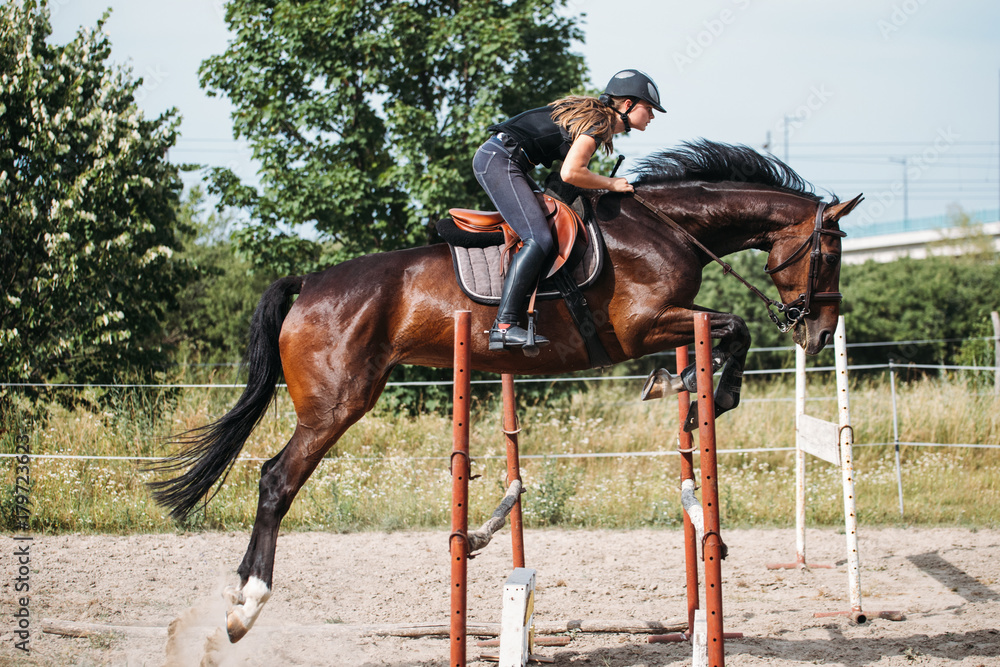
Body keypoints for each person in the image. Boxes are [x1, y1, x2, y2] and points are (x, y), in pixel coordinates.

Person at [474, 69, 665, 351]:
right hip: (500, 160)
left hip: (506, 158)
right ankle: (503, 327)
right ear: (627, 105)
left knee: (547, 228)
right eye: (649, 109)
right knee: (538, 238)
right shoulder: (599, 122)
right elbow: (571, 172)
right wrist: (612, 184)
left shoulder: (598, 119)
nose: (652, 116)